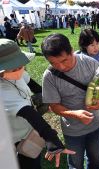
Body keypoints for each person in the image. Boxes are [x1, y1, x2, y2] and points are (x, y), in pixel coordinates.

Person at [0, 39, 75, 169]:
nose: (20, 69)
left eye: (21, 65)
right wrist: (53, 141)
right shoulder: (4, 93)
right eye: (14, 68)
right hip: (13, 138)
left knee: (33, 160)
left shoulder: (16, 74)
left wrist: (48, 99)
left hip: (28, 132)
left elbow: (33, 85)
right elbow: (32, 116)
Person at [41, 33, 99, 169]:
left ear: (72, 51)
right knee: (75, 163)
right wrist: (74, 114)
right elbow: (54, 106)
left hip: (96, 125)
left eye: (64, 60)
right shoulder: (49, 76)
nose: (60, 67)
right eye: (53, 63)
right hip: (72, 131)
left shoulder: (89, 63)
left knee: (95, 159)